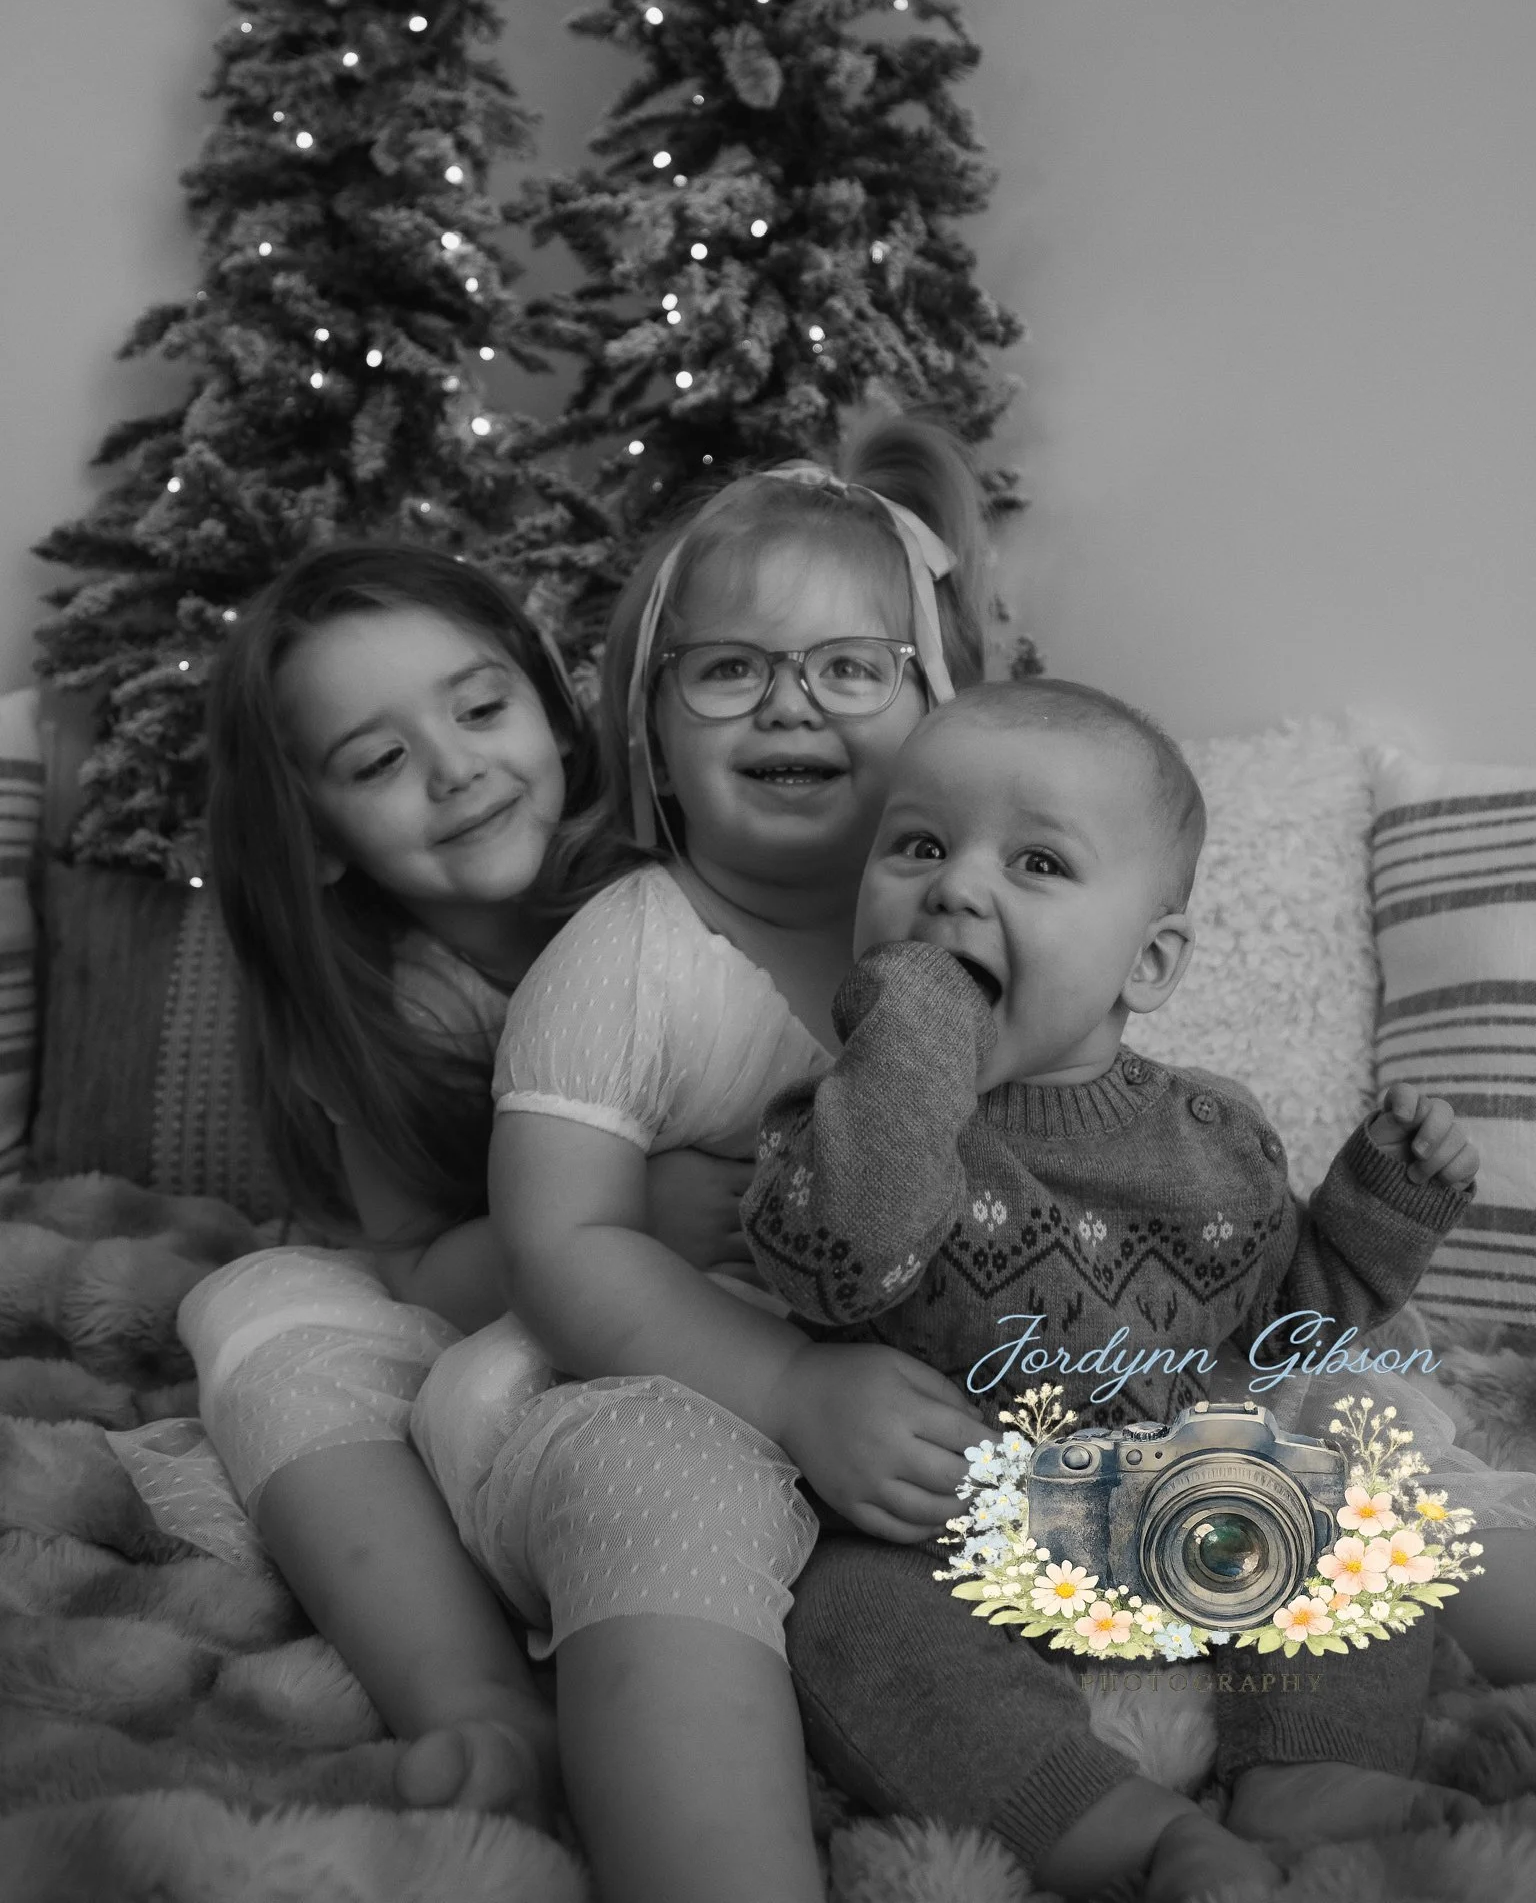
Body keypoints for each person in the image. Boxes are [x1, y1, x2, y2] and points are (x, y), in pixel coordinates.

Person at [742, 677, 1482, 1902]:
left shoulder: (1212, 1133)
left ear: (1149, 961)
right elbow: (843, 1263)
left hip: (1149, 1503)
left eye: (1035, 862)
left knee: (1361, 1501)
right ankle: (1120, 1826)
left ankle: (1310, 1766)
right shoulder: (830, 1127)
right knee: (839, 1622)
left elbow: (1281, 1329)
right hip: (936, 1531)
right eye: (919, 847)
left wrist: (1377, 1209)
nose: (958, 888)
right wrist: (918, 1031)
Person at [413, 416, 997, 1902]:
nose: (787, 703)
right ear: (652, 741)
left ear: (943, 714)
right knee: (666, 1494)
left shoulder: (975, 948)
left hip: (918, 1400)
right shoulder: (629, 959)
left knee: (1276, 1442)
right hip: (650, 1377)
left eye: (851, 668)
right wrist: (791, 1388)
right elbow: (563, 1250)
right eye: (729, 670)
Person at [178, 541, 817, 1898]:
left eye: (479, 711)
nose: (456, 768)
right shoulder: (373, 1004)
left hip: (739, 1322)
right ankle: (472, 1699)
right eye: (375, 760)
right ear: (317, 829)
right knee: (252, 1302)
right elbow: (413, 1263)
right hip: (503, 1318)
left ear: (547, 702)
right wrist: (615, 1213)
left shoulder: (673, 883)